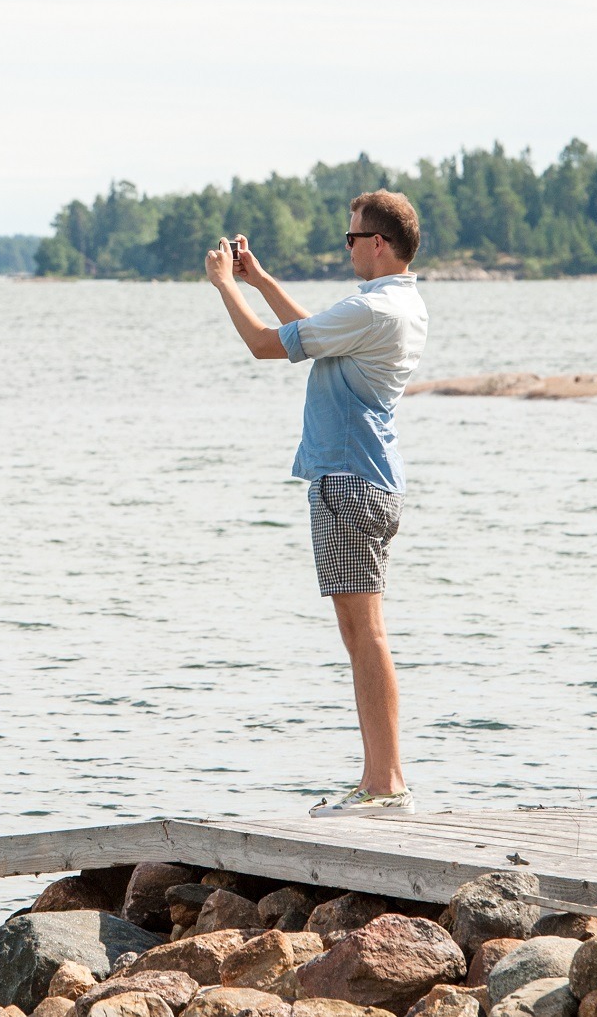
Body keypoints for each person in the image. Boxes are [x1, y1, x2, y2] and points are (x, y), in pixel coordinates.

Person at [203, 190, 429, 816]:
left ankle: (383, 783)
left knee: (364, 635)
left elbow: (266, 344)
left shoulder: (373, 309)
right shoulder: (395, 305)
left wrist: (226, 286)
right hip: (371, 481)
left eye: (351, 238)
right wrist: (262, 278)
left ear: (377, 243)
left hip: (348, 482)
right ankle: (381, 779)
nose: (347, 247)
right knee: (365, 633)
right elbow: (313, 335)